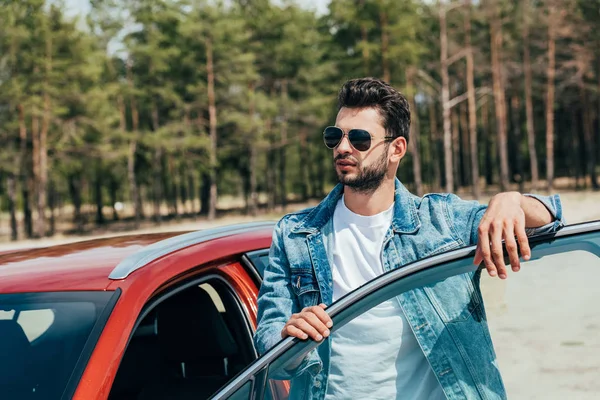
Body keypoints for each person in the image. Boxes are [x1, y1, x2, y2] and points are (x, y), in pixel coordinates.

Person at [254, 77, 564, 400]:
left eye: (359, 139)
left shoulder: (441, 222)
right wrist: (292, 337)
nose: (342, 148)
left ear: (396, 149)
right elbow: (269, 349)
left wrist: (512, 201)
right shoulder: (294, 235)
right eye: (335, 136)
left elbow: (551, 221)